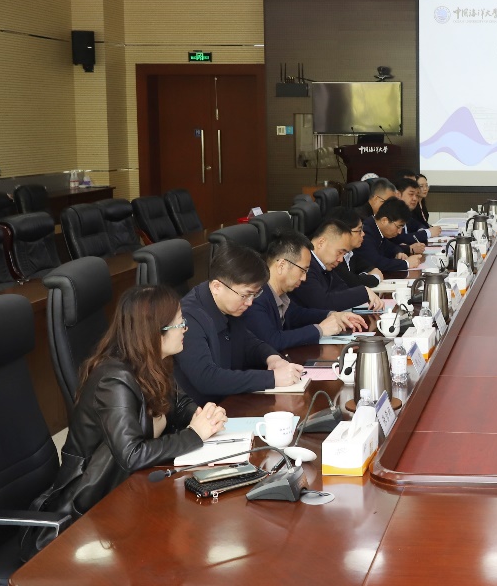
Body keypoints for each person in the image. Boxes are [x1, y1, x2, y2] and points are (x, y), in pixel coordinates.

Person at [21, 285, 227, 559]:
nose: (185, 329)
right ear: (155, 332)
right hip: (91, 508)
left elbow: (178, 403)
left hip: (132, 490)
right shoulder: (114, 380)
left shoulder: (154, 362)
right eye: (180, 323)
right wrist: (194, 435)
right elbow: (131, 454)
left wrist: (201, 416)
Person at [174, 243, 304, 404]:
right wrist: (272, 378)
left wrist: (272, 358)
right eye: (245, 295)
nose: (250, 302)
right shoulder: (187, 317)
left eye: (255, 295)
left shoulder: (229, 305)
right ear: (217, 287)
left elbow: (248, 342)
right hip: (203, 411)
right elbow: (206, 378)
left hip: (230, 401)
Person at [243, 231, 367, 351]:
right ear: (282, 266)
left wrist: (332, 315)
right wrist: (320, 329)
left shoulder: (278, 293)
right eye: (302, 270)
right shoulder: (255, 296)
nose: (304, 278)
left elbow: (296, 315)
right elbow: (272, 341)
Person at [290, 216, 386, 312]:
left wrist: (363, 292)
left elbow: (342, 289)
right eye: (340, 252)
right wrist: (363, 292)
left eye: (344, 254)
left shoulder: (324, 264)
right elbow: (322, 303)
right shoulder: (303, 266)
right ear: (321, 243)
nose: (341, 259)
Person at [356, 197, 423, 272]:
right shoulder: (366, 233)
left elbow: (390, 247)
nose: (399, 232)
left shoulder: (376, 228)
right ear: (384, 221)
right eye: (398, 227)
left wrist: (398, 252)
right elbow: (376, 263)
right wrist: (406, 263)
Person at [325, 206, 385, 288]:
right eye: (359, 230)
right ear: (343, 232)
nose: (363, 234)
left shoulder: (350, 253)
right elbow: (352, 282)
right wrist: (375, 277)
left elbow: (368, 267)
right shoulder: (332, 257)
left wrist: (367, 274)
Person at [397, 176, 439, 244]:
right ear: (398, 195)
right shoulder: (393, 214)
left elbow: (419, 225)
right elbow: (401, 239)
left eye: (416, 195)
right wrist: (428, 233)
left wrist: (422, 230)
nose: (415, 199)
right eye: (411, 194)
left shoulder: (405, 214)